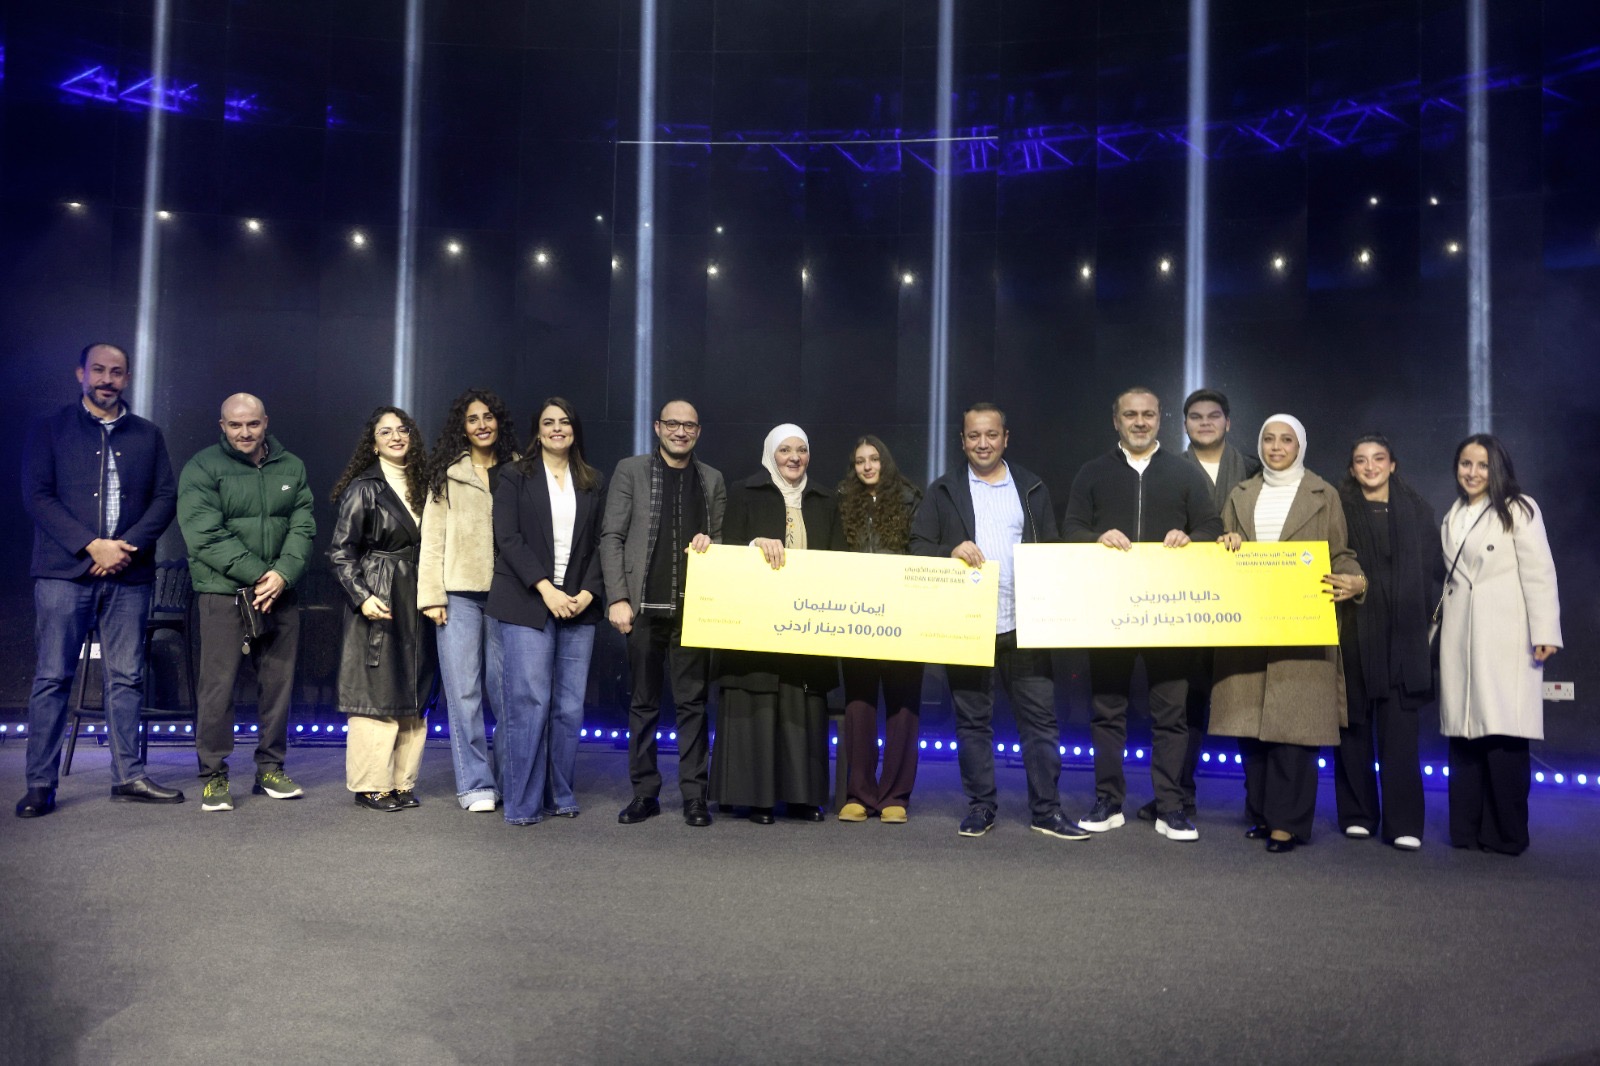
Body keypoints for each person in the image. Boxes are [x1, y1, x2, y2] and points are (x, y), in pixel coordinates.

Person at [17, 343, 184, 818]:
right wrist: (91, 546)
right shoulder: (50, 429)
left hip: (128, 576)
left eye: (116, 372)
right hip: (63, 573)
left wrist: (122, 548)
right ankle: (40, 784)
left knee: (127, 678)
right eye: (98, 370)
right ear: (81, 374)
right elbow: (37, 496)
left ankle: (128, 777)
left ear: (127, 378)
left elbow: (165, 499)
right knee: (53, 677)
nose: (107, 379)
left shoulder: (148, 435)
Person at [910, 403, 1085, 840]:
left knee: (1040, 724)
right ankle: (981, 807)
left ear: (1006, 438)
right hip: (968, 626)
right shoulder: (943, 489)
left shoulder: (1032, 487)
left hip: (1025, 625)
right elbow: (917, 546)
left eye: (991, 435)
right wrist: (949, 551)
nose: (982, 443)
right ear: (962, 441)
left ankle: (1047, 811)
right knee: (972, 724)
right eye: (974, 436)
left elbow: (1051, 548)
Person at [1061, 387, 1220, 842]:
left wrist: (1190, 538)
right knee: (1106, 711)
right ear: (1116, 420)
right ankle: (1108, 801)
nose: (1139, 421)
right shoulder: (1092, 472)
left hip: (1169, 613)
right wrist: (1095, 538)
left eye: (1148, 414)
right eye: (1130, 414)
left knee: (1171, 714)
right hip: (1109, 610)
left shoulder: (1184, 473)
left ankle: (1171, 807)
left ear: (1160, 419)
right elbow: (1071, 528)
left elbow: (1211, 527)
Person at [1210, 415, 1367, 853]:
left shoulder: (1323, 494)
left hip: (1302, 625)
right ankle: (1262, 814)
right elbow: (1223, 547)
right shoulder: (1241, 493)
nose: (1276, 447)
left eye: (1286, 440)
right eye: (1269, 439)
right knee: (1251, 726)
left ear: (1301, 447)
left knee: (1295, 729)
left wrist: (1357, 581)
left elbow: (1341, 553)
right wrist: (1226, 543)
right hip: (1250, 624)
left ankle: (1288, 823)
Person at [177, 393, 316, 812]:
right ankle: (213, 776)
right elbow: (204, 535)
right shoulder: (202, 466)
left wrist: (282, 574)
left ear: (265, 422)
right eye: (235, 425)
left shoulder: (292, 466)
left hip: (279, 593)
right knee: (217, 688)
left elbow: (303, 526)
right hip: (224, 594)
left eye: (252, 424)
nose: (244, 432)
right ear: (222, 426)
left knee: (277, 685)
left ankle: (270, 768)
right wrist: (261, 575)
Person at [1133, 388, 1263, 824]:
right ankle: (1176, 796)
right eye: (1195, 416)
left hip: (1242, 599)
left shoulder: (1255, 470)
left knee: (1247, 701)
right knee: (1184, 706)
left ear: (1228, 422)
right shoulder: (1166, 469)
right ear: (1184, 424)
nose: (1205, 423)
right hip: (1187, 601)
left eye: (1213, 415)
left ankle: (1260, 804)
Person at [711, 423, 845, 824]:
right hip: (756, 625)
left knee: (800, 707)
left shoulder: (825, 499)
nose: (794, 457)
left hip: (808, 624)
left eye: (801, 450)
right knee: (759, 703)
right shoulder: (744, 491)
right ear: (771, 453)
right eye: (785, 450)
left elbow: (840, 559)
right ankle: (758, 799)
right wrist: (755, 546)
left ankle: (802, 798)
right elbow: (726, 549)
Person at [600, 399, 724, 828]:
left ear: (698, 432)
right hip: (642, 609)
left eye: (689, 425)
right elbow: (611, 537)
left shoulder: (712, 479)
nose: (680, 431)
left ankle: (694, 798)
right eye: (672, 423)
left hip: (694, 611)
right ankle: (645, 793)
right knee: (643, 704)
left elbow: (720, 541)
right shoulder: (630, 470)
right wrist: (617, 598)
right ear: (657, 427)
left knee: (694, 706)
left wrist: (712, 543)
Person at [1437, 434, 1561, 856]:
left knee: (1503, 735)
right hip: (1461, 636)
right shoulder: (1453, 514)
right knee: (1465, 735)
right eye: (1465, 464)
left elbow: (1540, 572)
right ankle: (1466, 830)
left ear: (1498, 469)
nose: (1472, 472)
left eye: (1482, 465)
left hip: (1505, 635)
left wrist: (1545, 631)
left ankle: (1506, 834)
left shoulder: (1519, 509)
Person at [488, 398, 606, 826]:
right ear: (537, 432)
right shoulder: (513, 475)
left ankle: (560, 794)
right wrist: (546, 590)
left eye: (565, 422)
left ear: (575, 429)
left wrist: (588, 593)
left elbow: (603, 541)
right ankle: (522, 804)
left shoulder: (593, 480)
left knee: (569, 708)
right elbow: (508, 538)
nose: (558, 428)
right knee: (530, 703)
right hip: (526, 600)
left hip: (579, 605)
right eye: (548, 422)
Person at [328, 406, 437, 812]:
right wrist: (362, 596)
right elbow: (340, 553)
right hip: (380, 593)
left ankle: (401, 782)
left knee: (413, 688)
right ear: (373, 444)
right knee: (376, 693)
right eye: (385, 432)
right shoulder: (365, 487)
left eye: (402, 429)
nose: (395, 437)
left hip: (419, 595)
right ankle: (371, 785)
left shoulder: (427, 484)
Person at [1334, 434, 1436, 850]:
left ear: (1393, 464)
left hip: (1404, 637)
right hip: (1353, 631)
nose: (1370, 466)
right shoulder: (1338, 508)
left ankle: (1403, 823)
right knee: (1352, 728)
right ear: (1352, 468)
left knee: (1400, 736)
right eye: (1361, 460)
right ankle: (1358, 815)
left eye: (1379, 459)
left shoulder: (1418, 509)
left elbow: (1433, 572)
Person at [419, 388, 519, 813]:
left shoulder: (520, 469)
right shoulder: (447, 475)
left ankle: (512, 781)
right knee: (463, 693)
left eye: (488, 417)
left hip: (510, 595)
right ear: (462, 427)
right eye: (473, 418)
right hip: (458, 595)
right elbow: (432, 541)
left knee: (508, 693)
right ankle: (476, 785)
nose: (482, 425)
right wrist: (431, 596)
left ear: (499, 422)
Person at [835, 435, 924, 824]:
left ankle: (895, 797)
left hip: (903, 614)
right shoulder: (843, 501)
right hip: (856, 616)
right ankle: (859, 794)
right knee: (858, 704)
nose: (867, 466)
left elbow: (923, 551)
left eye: (873, 459)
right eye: (860, 461)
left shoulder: (911, 499)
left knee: (903, 705)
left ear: (885, 461)